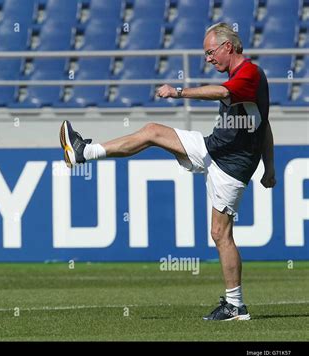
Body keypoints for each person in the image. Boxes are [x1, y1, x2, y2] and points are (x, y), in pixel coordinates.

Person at [59, 23, 276, 321]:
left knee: (220, 234)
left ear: (228, 47)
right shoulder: (242, 76)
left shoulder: (249, 73)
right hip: (213, 149)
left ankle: (236, 306)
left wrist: (178, 92)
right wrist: (270, 167)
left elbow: (220, 93)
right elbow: (265, 126)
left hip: (230, 166)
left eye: (211, 52)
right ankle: (83, 152)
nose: (208, 59)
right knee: (152, 132)